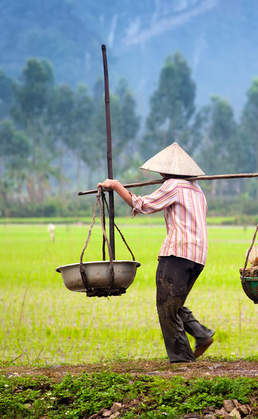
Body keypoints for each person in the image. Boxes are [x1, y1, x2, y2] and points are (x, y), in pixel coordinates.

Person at [98, 142, 215, 363]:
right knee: (174, 303)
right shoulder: (197, 190)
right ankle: (201, 334)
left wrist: (116, 186)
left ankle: (182, 360)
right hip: (198, 256)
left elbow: (142, 204)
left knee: (166, 307)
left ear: (166, 170)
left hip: (178, 254)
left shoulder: (173, 186)